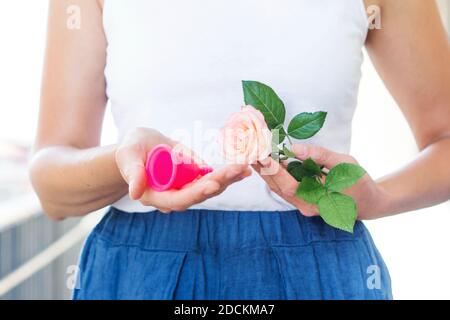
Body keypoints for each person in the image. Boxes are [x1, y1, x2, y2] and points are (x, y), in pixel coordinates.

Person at [30, 0, 450, 299]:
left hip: (320, 269)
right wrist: (124, 163)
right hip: (138, 274)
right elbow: (52, 189)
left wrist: (375, 197)